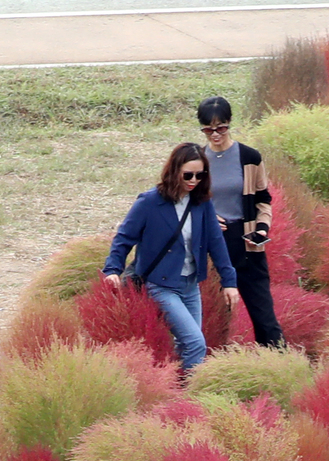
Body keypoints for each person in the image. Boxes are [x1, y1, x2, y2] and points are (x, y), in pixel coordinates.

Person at [103, 144, 239, 374]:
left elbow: (216, 243)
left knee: (187, 345)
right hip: (162, 285)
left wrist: (229, 282)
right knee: (196, 344)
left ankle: (174, 392)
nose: (194, 180)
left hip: (190, 285)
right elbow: (124, 238)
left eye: (200, 174)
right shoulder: (149, 202)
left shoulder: (201, 203)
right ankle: (190, 397)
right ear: (174, 171)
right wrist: (112, 270)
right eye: (188, 174)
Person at [196, 96, 284, 347]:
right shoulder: (197, 159)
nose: (215, 134)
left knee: (265, 320)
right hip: (211, 247)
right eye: (208, 129)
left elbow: (263, 200)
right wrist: (207, 217)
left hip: (247, 246)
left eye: (221, 128)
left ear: (230, 123)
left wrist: (262, 227)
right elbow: (186, 200)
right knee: (213, 319)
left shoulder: (249, 157)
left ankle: (280, 367)